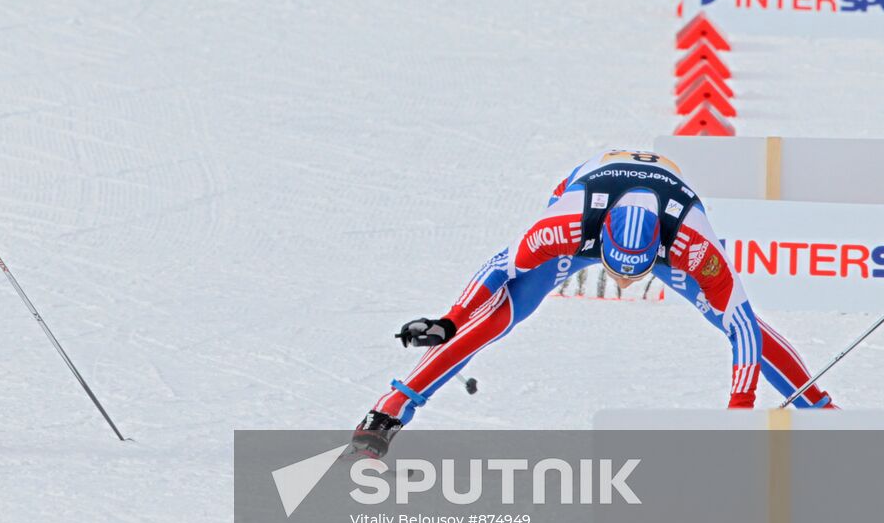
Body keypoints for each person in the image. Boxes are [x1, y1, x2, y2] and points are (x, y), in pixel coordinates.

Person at [350, 149, 837, 458]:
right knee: (496, 317)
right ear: (602, 243)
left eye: (636, 272)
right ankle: (387, 411)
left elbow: (742, 326)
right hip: (586, 189)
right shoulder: (564, 225)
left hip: (666, 211)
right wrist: (449, 319)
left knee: (732, 317)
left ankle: (822, 411)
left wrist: (740, 407)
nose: (624, 281)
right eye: (617, 269)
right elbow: (502, 267)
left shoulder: (691, 242)